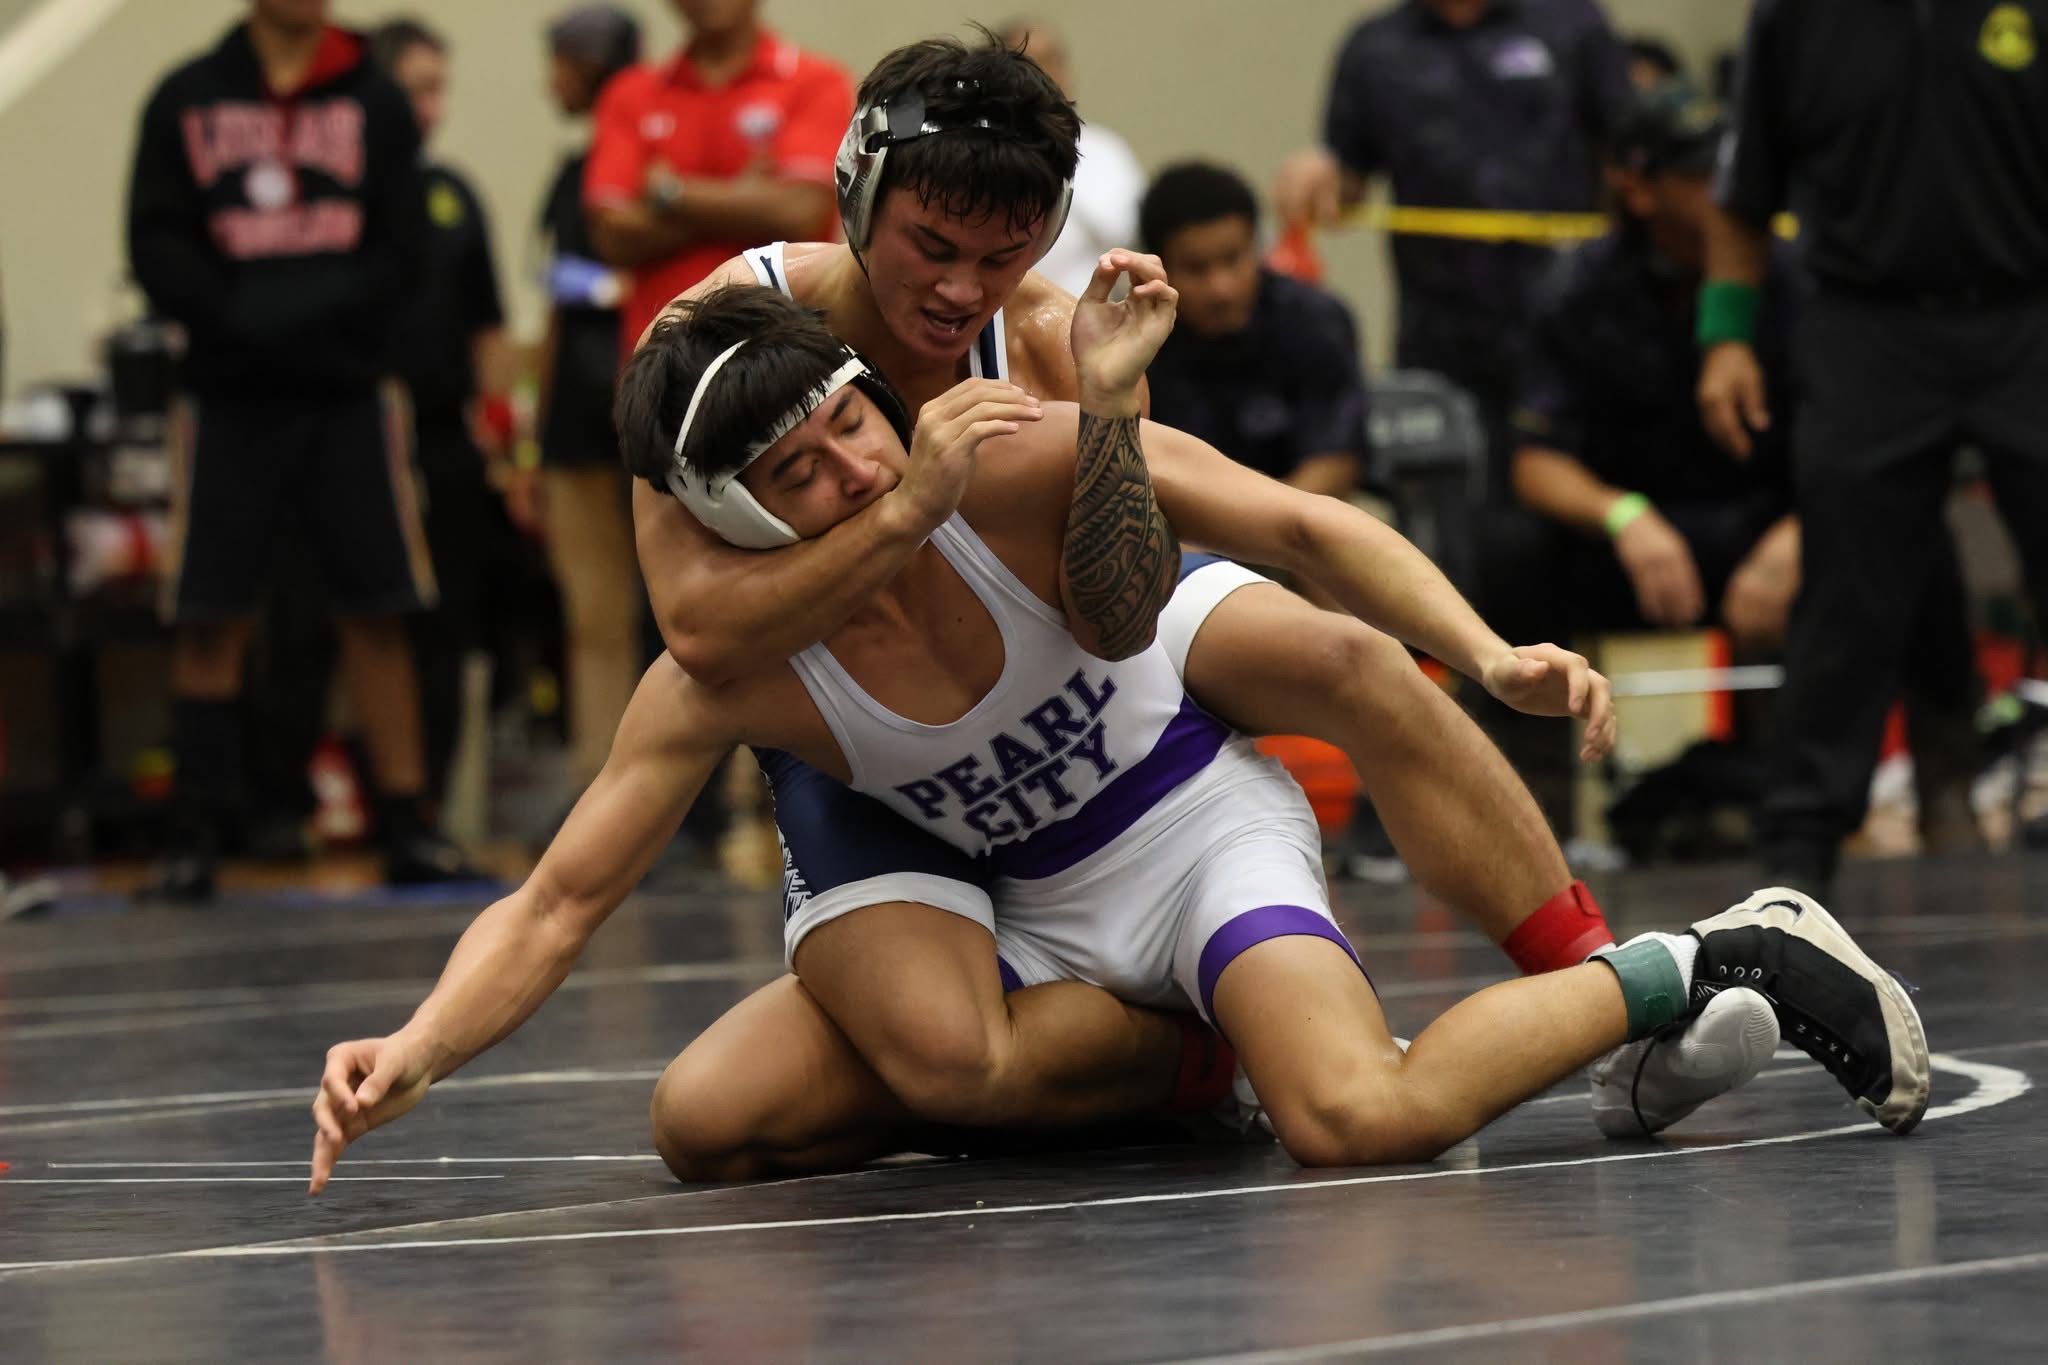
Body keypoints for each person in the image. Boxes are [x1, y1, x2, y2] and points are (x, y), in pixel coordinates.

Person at [307, 279, 1931, 1192]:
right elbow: (555, 900)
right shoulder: (735, 671)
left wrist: (1482, 649)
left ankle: (1708, 953)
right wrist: (415, 1053)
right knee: (706, 1130)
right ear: (734, 517)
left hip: (1177, 831)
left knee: (1355, 1123)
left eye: (853, 424)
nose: (860, 472)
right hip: (1007, 911)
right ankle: (1170, 1071)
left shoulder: (1002, 458)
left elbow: (1292, 516)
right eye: (798, 473)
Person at [627, 33, 1766, 1140]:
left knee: (1349, 659)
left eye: (1002, 254)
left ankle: (1595, 986)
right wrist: (913, 510)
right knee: (785, 1108)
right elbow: (693, 624)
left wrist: (1483, 653)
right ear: (853, 196)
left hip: (1051, 653)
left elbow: (1165, 587)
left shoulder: (1033, 341)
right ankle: (1203, 1058)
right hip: (862, 728)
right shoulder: (729, 336)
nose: (959, 290)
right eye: (931, 246)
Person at [1499, 90, 1983, 860]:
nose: (1730, 187)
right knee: (1510, 552)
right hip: (1641, 541)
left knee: (1918, 541)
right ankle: (1527, 817)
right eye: (1703, 172)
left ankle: (1948, 790)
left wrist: (1803, 530)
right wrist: (1625, 517)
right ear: (1638, 184)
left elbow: (1868, 439)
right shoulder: (1574, 291)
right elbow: (1534, 460)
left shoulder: (1799, 279)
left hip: (1777, 527)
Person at [1697, 0, 2048, 888]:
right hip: (1867, 325)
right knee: (1847, 596)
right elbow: (1743, 197)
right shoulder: (1795, 18)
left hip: (2028, 313)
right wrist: (1726, 338)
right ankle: (1797, 858)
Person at [127, 0, 471, 898]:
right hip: (226, 396)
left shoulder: (376, 101)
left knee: (379, 603)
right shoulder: (184, 98)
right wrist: (238, 315)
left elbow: (404, 248)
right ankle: (196, 829)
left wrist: (313, 316)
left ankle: (406, 820)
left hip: (348, 394)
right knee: (210, 607)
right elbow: (155, 240)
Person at [1274, 0, 1635, 486]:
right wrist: (1321, 176)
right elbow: (1350, 178)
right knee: (1446, 516)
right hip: (1438, 335)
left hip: (1572, 329)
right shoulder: (1376, 45)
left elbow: (1630, 154)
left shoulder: (1571, 22)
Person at [371, 16, 527, 822]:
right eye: (416, 88)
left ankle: (426, 804)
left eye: (439, 90)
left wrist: (504, 438)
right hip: (361, 437)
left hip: (445, 441)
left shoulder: (450, 195)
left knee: (450, 622)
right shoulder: (346, 206)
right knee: (364, 620)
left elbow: (489, 331)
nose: (431, 108)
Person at [583, 0, 853, 354]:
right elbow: (611, 235)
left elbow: (801, 214)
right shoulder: (629, 94)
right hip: (659, 364)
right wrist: (746, 200)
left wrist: (671, 194)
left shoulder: (817, 83)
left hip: (784, 357)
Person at [534, 4, 648, 793]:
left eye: (563, 62)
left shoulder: (645, 162)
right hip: (577, 413)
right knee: (594, 615)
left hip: (653, 401)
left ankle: (716, 797)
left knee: (678, 612)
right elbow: (553, 295)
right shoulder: (574, 176)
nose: (551, 80)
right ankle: (600, 781)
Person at [1138, 160, 1368, 500]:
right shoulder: (1131, 341)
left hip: (1297, 536)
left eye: (1233, 259)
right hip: (1179, 541)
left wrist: (1248, 535)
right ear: (1158, 268)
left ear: (1258, 247)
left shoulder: (1315, 320)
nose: (1221, 289)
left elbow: (1333, 468)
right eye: (1196, 268)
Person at [996, 16, 1147, 300]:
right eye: (1027, 62)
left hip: (1093, 324)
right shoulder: (979, 155)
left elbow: (1132, 240)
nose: (1043, 75)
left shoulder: (1108, 152)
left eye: (1052, 60)